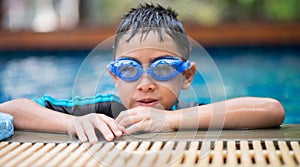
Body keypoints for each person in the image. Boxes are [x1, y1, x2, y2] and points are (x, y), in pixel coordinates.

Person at [0, 4, 285, 144]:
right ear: (114, 77)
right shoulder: (101, 111)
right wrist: (71, 125)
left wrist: (171, 120)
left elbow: (271, 110)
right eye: (128, 69)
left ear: (186, 76)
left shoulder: (188, 113)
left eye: (163, 68)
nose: (145, 84)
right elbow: (10, 109)